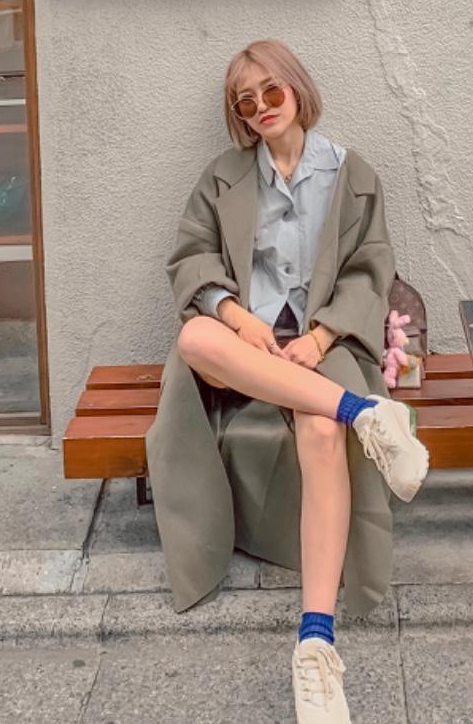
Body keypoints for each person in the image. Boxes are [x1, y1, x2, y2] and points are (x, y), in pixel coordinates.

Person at [146, 39, 429, 724]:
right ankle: (366, 412)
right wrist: (238, 317)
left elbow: (369, 271)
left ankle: (315, 644)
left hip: (318, 342)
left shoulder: (352, 175)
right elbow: (191, 261)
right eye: (246, 101)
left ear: (297, 89)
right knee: (193, 337)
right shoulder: (221, 178)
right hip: (244, 345)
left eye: (272, 91)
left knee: (320, 434)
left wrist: (322, 336)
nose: (262, 108)